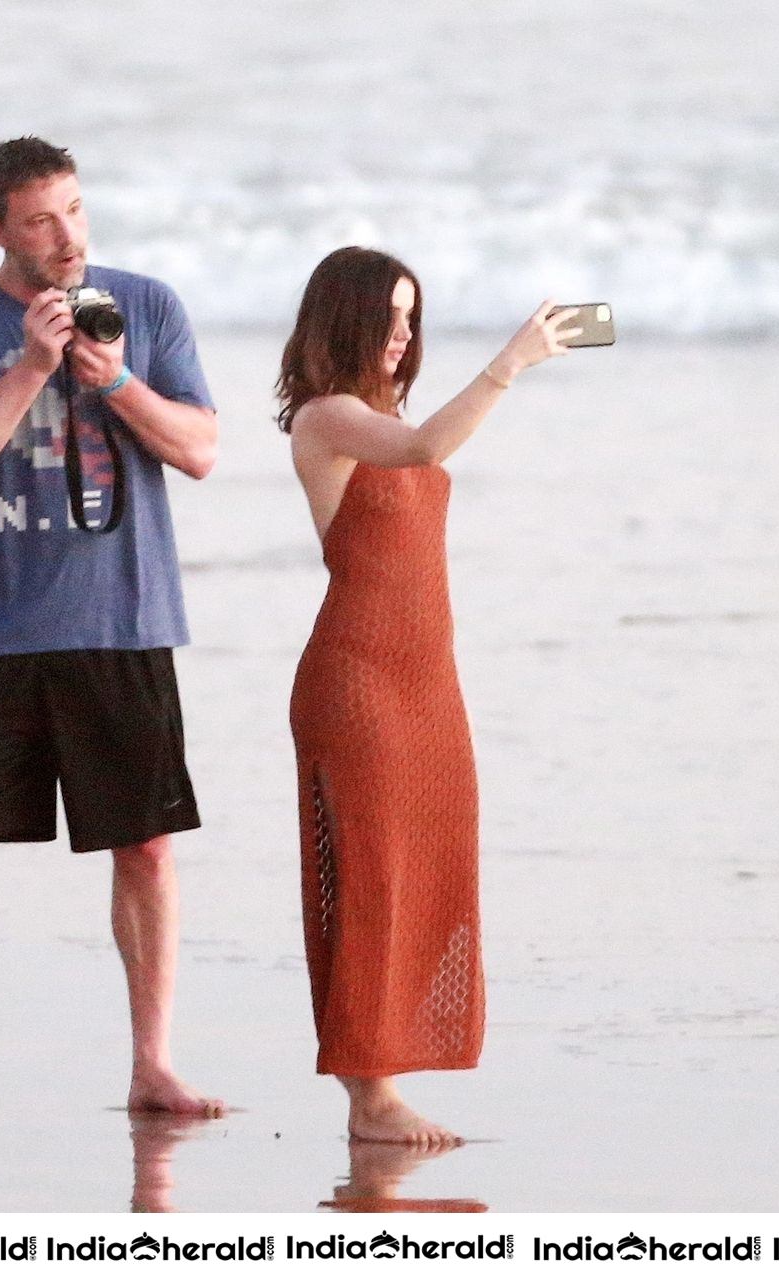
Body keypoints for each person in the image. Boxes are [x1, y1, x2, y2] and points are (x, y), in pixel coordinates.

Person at [0, 137, 223, 1121]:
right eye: (39, 219)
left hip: (124, 621)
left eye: (74, 208)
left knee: (146, 847)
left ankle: (153, 1061)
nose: (66, 234)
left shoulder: (146, 305)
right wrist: (31, 365)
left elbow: (201, 448)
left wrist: (111, 378)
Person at [276, 246, 578, 1146]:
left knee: (432, 866)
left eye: (414, 317)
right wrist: (510, 365)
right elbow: (420, 448)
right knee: (369, 877)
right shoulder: (328, 420)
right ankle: (371, 1097)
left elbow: (420, 441)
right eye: (391, 317)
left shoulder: (387, 414)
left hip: (427, 681)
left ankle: (391, 1069)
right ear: (348, 321)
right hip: (357, 680)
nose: (406, 335)